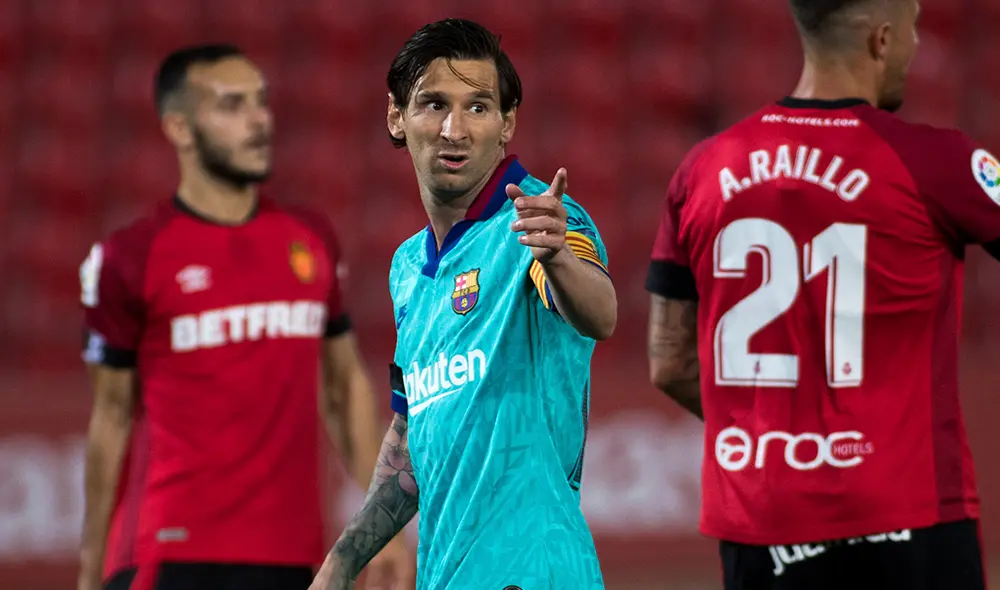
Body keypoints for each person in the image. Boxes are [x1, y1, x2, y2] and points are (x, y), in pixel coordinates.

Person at [646, 0, 1000, 588]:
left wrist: (782, 431)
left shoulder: (703, 169)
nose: (915, 50)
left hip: (763, 521)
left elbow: (669, 363)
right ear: (883, 40)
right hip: (908, 515)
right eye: (913, 32)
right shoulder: (938, 161)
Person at [77, 44, 413, 590]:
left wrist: (384, 530)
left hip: (289, 557)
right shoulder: (130, 257)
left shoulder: (310, 239)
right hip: (167, 554)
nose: (259, 120)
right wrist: (91, 568)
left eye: (261, 102)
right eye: (232, 105)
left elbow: (343, 383)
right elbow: (110, 419)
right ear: (180, 128)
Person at [308, 18, 616, 590]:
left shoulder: (540, 222)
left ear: (507, 124)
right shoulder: (407, 268)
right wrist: (342, 564)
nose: (455, 129)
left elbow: (599, 313)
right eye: (433, 104)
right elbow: (411, 434)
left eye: (478, 107)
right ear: (397, 117)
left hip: (534, 572)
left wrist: (558, 260)